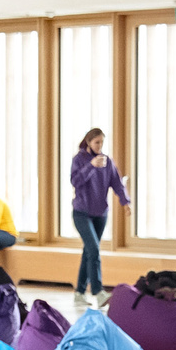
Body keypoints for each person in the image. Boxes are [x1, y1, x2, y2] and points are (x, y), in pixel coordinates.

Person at [69, 128, 129, 307]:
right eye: (96, 142)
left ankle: (79, 293)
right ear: (88, 142)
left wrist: (126, 202)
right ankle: (98, 291)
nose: (100, 146)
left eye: (102, 142)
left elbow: (117, 183)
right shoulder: (79, 160)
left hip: (100, 214)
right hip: (81, 213)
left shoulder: (107, 161)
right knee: (94, 250)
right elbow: (75, 181)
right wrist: (91, 166)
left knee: (89, 252)